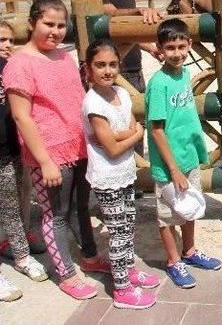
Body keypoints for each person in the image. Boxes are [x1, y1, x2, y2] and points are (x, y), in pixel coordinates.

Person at [3, 0, 107, 300]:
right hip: (49, 153)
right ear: (33, 22)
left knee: (80, 208)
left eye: (61, 25)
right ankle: (65, 273)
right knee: (54, 214)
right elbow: (21, 116)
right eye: (49, 24)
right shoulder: (20, 64)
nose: (56, 31)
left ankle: (88, 256)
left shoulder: (63, 56)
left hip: (78, 147)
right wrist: (44, 160)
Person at [82, 39, 160, 309]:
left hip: (126, 173)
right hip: (107, 176)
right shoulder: (93, 102)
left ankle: (127, 269)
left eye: (112, 64)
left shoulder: (122, 93)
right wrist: (132, 135)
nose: (107, 70)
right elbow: (114, 148)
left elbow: (127, 129)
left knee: (128, 226)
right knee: (118, 233)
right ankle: (122, 289)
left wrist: (119, 136)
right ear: (88, 69)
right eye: (100, 65)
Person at [145, 18, 221, 288]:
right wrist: (174, 170)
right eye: (169, 48)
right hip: (168, 165)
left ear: (190, 44)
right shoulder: (158, 84)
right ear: (159, 49)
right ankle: (173, 260)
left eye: (181, 46)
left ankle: (189, 251)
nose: (176, 53)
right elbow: (156, 130)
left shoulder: (183, 74)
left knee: (189, 207)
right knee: (167, 215)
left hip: (187, 155)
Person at [91, 0, 163, 183]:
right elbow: (109, 13)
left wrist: (150, 47)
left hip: (134, 67)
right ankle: (124, 178)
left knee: (137, 123)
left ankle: (137, 177)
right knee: (119, 126)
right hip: (115, 73)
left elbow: (128, 32)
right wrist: (138, 11)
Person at [0, 21, 48, 303]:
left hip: (10, 151)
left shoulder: (11, 69)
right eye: (1, 40)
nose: (6, 45)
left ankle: (20, 255)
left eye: (9, 40)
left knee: (12, 207)